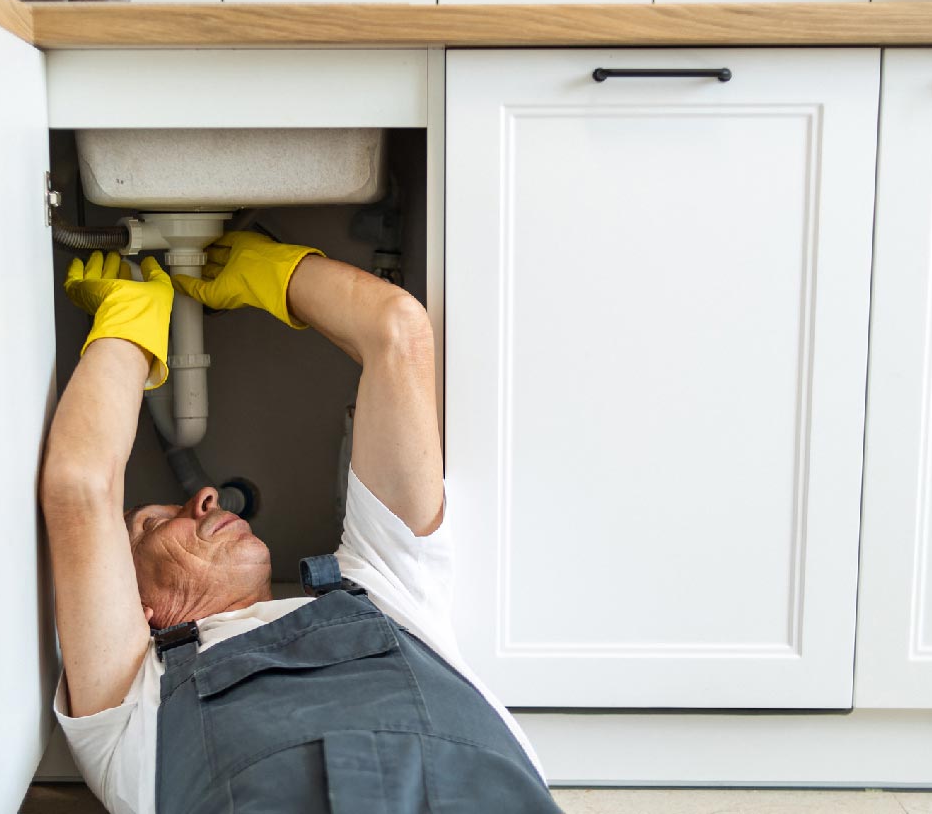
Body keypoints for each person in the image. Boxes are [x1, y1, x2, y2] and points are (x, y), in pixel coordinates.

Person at [42, 232, 563, 813]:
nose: (203, 497)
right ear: (134, 607)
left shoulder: (386, 585)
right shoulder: (130, 700)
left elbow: (397, 330)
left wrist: (269, 272)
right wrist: (131, 323)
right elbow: (79, 488)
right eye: (150, 525)